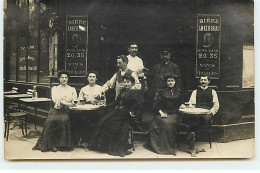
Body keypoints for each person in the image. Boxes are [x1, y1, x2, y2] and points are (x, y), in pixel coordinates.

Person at [89, 75, 141, 157]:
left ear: (132, 83)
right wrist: (105, 105)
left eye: (128, 82)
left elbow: (136, 105)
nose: (126, 84)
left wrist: (131, 111)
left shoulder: (134, 93)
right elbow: (116, 102)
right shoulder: (122, 91)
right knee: (103, 120)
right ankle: (102, 146)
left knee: (112, 123)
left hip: (126, 114)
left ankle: (112, 147)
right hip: (117, 111)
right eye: (125, 82)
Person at [33, 70, 77, 152]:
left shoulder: (72, 89)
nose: (64, 79)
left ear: (68, 79)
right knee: (50, 121)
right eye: (62, 77)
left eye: (66, 77)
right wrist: (65, 101)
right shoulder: (55, 89)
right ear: (59, 79)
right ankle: (51, 145)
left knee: (63, 120)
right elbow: (56, 99)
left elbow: (74, 100)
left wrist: (66, 102)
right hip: (57, 110)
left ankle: (61, 145)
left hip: (67, 111)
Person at [180, 75, 219, 151]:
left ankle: (192, 136)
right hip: (197, 111)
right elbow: (191, 103)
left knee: (204, 119)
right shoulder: (195, 91)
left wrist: (211, 112)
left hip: (207, 112)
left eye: (205, 80)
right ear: (199, 81)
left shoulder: (212, 91)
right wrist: (193, 109)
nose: (203, 81)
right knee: (191, 119)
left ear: (208, 81)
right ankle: (192, 137)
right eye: (201, 80)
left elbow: (216, 105)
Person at [148, 74, 183, 155]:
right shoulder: (161, 92)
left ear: (175, 82)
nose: (170, 82)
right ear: (166, 82)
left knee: (169, 123)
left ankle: (169, 147)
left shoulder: (178, 91)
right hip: (163, 113)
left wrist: (182, 105)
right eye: (169, 81)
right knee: (163, 122)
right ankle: (162, 147)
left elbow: (181, 103)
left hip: (175, 114)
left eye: (172, 81)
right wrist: (161, 113)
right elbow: (157, 105)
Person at [72, 71, 106, 145]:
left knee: (95, 119)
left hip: (97, 110)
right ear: (87, 78)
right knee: (81, 118)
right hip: (86, 110)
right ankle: (84, 140)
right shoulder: (83, 89)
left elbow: (104, 102)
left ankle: (94, 141)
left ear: (96, 79)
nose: (92, 78)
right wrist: (84, 102)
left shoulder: (101, 89)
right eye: (90, 76)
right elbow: (79, 101)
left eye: (93, 77)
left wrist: (97, 102)